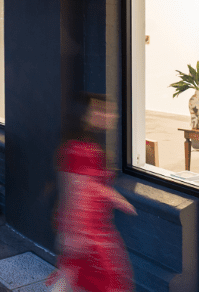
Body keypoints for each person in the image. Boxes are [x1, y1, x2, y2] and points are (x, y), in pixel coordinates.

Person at [47, 94, 136, 292]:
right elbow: (76, 192)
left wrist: (114, 197)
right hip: (88, 234)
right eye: (100, 110)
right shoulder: (80, 149)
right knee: (102, 282)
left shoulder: (85, 145)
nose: (110, 115)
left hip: (91, 231)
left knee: (74, 278)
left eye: (109, 110)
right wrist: (75, 235)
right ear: (84, 115)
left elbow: (85, 186)